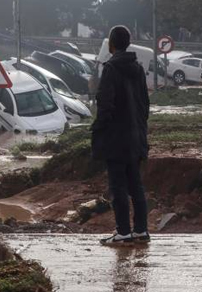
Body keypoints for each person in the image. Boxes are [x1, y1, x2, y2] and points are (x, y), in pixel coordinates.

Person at [91, 25, 150, 246]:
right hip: (136, 136)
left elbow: (105, 104)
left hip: (116, 138)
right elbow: (145, 103)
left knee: (118, 186)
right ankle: (141, 230)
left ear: (111, 44)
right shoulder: (138, 69)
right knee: (136, 184)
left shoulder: (111, 69)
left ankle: (123, 232)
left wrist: (99, 128)